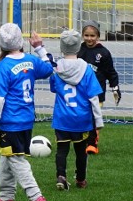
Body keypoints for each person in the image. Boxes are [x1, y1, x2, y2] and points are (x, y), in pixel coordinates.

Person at [0, 23, 54, 201]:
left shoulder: (3, 66)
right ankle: (6, 199)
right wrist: (40, 48)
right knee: (7, 157)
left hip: (11, 121)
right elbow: (49, 69)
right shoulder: (31, 60)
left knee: (16, 159)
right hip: (26, 119)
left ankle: (37, 198)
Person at [33, 30, 104, 190]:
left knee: (62, 150)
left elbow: (54, 87)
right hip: (82, 119)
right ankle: (81, 179)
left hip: (62, 118)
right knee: (80, 151)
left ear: (61, 48)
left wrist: (40, 48)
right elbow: (93, 97)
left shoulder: (57, 69)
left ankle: (61, 176)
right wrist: (98, 120)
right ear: (79, 47)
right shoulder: (86, 69)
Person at [76, 21, 121, 155]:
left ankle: (92, 144)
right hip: (80, 91)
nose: (89, 38)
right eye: (86, 35)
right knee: (82, 117)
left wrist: (115, 88)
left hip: (97, 93)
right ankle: (83, 140)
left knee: (93, 118)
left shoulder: (104, 53)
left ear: (98, 36)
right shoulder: (78, 50)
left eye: (92, 36)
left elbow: (111, 72)